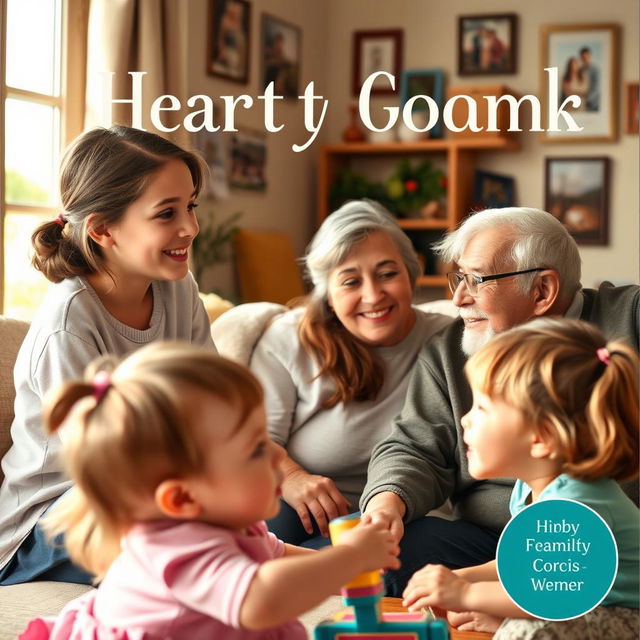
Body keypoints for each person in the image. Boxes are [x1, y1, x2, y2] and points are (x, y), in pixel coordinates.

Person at [19, 343, 400, 639]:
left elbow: (277, 555)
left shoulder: (229, 525)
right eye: (254, 448)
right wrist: (348, 558)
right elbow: (262, 599)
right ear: (182, 498)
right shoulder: (174, 548)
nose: (280, 454)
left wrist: (346, 568)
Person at [360, 206, 639, 596]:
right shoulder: (448, 352)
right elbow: (414, 446)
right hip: (494, 541)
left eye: (475, 280)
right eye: (458, 278)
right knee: (393, 555)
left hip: (608, 544)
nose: (457, 299)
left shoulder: (631, 320)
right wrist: (387, 502)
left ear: (542, 289)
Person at [0, 125, 216, 586]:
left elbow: (214, 406)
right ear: (102, 229)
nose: (191, 228)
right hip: (52, 524)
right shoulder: (69, 324)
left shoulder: (180, 290)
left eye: (191, 206)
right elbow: (111, 469)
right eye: (166, 213)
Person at [403, 318, 639, 639]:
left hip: (629, 615)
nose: (464, 418)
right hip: (589, 608)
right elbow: (528, 567)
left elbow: (554, 594)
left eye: (482, 408)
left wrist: (465, 594)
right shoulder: (528, 489)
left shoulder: (575, 504)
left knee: (530, 631)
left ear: (541, 437)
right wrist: (464, 578)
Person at [250, 200, 453, 547]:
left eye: (388, 274)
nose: (373, 295)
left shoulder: (449, 342)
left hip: (402, 516)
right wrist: (294, 478)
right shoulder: (288, 339)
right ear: (328, 296)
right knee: (270, 525)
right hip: (302, 508)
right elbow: (252, 439)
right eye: (350, 281)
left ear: (411, 275)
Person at [580, 47, 600, 111]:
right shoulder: (580, 70)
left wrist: (587, 99)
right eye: (583, 58)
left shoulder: (595, 70)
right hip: (582, 104)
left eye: (586, 57)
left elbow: (596, 88)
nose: (585, 59)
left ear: (589, 56)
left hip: (593, 103)